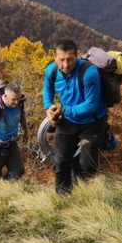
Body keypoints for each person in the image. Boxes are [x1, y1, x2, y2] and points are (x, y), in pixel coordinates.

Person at [43, 39, 107, 194]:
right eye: (61, 60)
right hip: (68, 121)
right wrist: (48, 107)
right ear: (54, 57)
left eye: (70, 59)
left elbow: (90, 106)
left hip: (92, 122)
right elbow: (47, 89)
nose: (65, 65)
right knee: (60, 161)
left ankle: (85, 197)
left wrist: (64, 111)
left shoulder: (89, 73)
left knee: (87, 165)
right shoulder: (51, 71)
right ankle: (62, 199)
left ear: (77, 56)